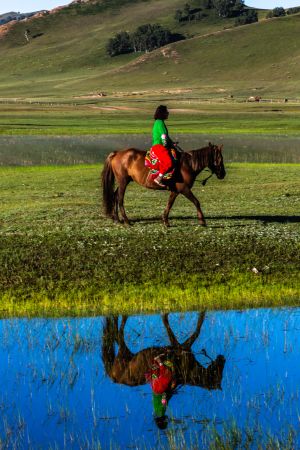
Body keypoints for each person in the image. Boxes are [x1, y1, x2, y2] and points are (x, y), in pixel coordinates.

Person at [151, 105, 177, 187]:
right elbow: (163, 136)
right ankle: (159, 178)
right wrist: (166, 145)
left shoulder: (158, 122)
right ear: (163, 113)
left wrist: (172, 143)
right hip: (159, 146)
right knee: (168, 162)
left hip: (159, 145)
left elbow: (166, 136)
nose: (168, 113)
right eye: (166, 112)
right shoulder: (160, 122)